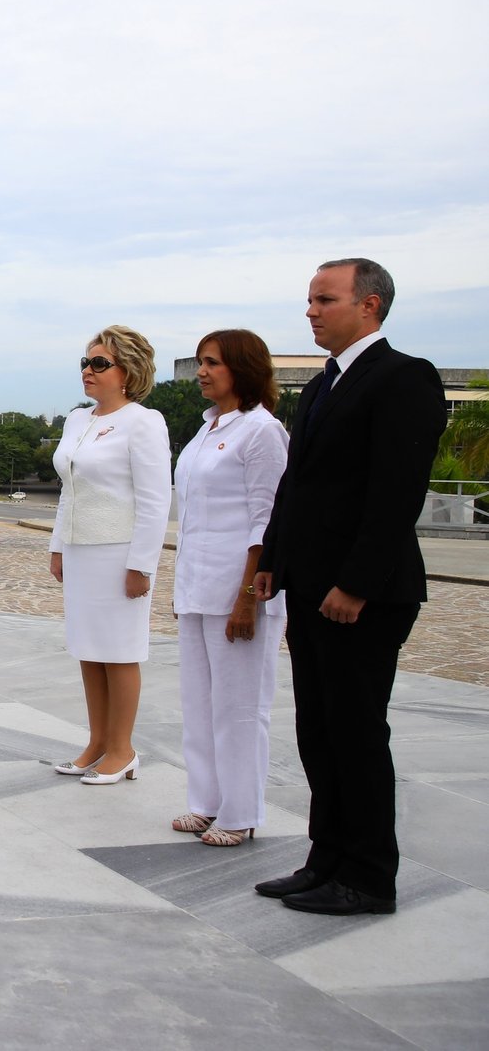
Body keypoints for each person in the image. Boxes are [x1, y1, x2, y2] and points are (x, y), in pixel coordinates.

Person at [252, 259, 445, 915]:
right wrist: (273, 560)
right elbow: (297, 485)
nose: (310, 310)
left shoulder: (403, 378)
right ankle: (325, 859)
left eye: (324, 299)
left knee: (357, 733)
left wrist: (356, 584)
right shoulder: (323, 385)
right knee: (319, 730)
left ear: (368, 305)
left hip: (365, 596)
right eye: (309, 299)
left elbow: (395, 495)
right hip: (310, 587)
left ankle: (367, 876)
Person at [170, 330, 288, 847]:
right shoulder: (205, 430)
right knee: (199, 703)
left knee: (240, 707)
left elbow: (267, 521)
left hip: (241, 590)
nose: (201, 371)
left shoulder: (261, 431)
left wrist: (247, 598)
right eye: (199, 362)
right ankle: (207, 801)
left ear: (241, 367)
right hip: (197, 584)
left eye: (211, 362)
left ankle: (240, 811)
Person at [47, 325, 171, 786]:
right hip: (81, 550)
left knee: (119, 651)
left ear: (127, 372)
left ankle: (123, 749)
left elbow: (156, 499)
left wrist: (142, 564)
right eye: (86, 361)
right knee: (88, 649)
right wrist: (58, 546)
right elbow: (69, 491)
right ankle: (97, 742)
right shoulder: (78, 420)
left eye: (100, 363)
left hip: (119, 551)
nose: (88, 369)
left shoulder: (144, 421)